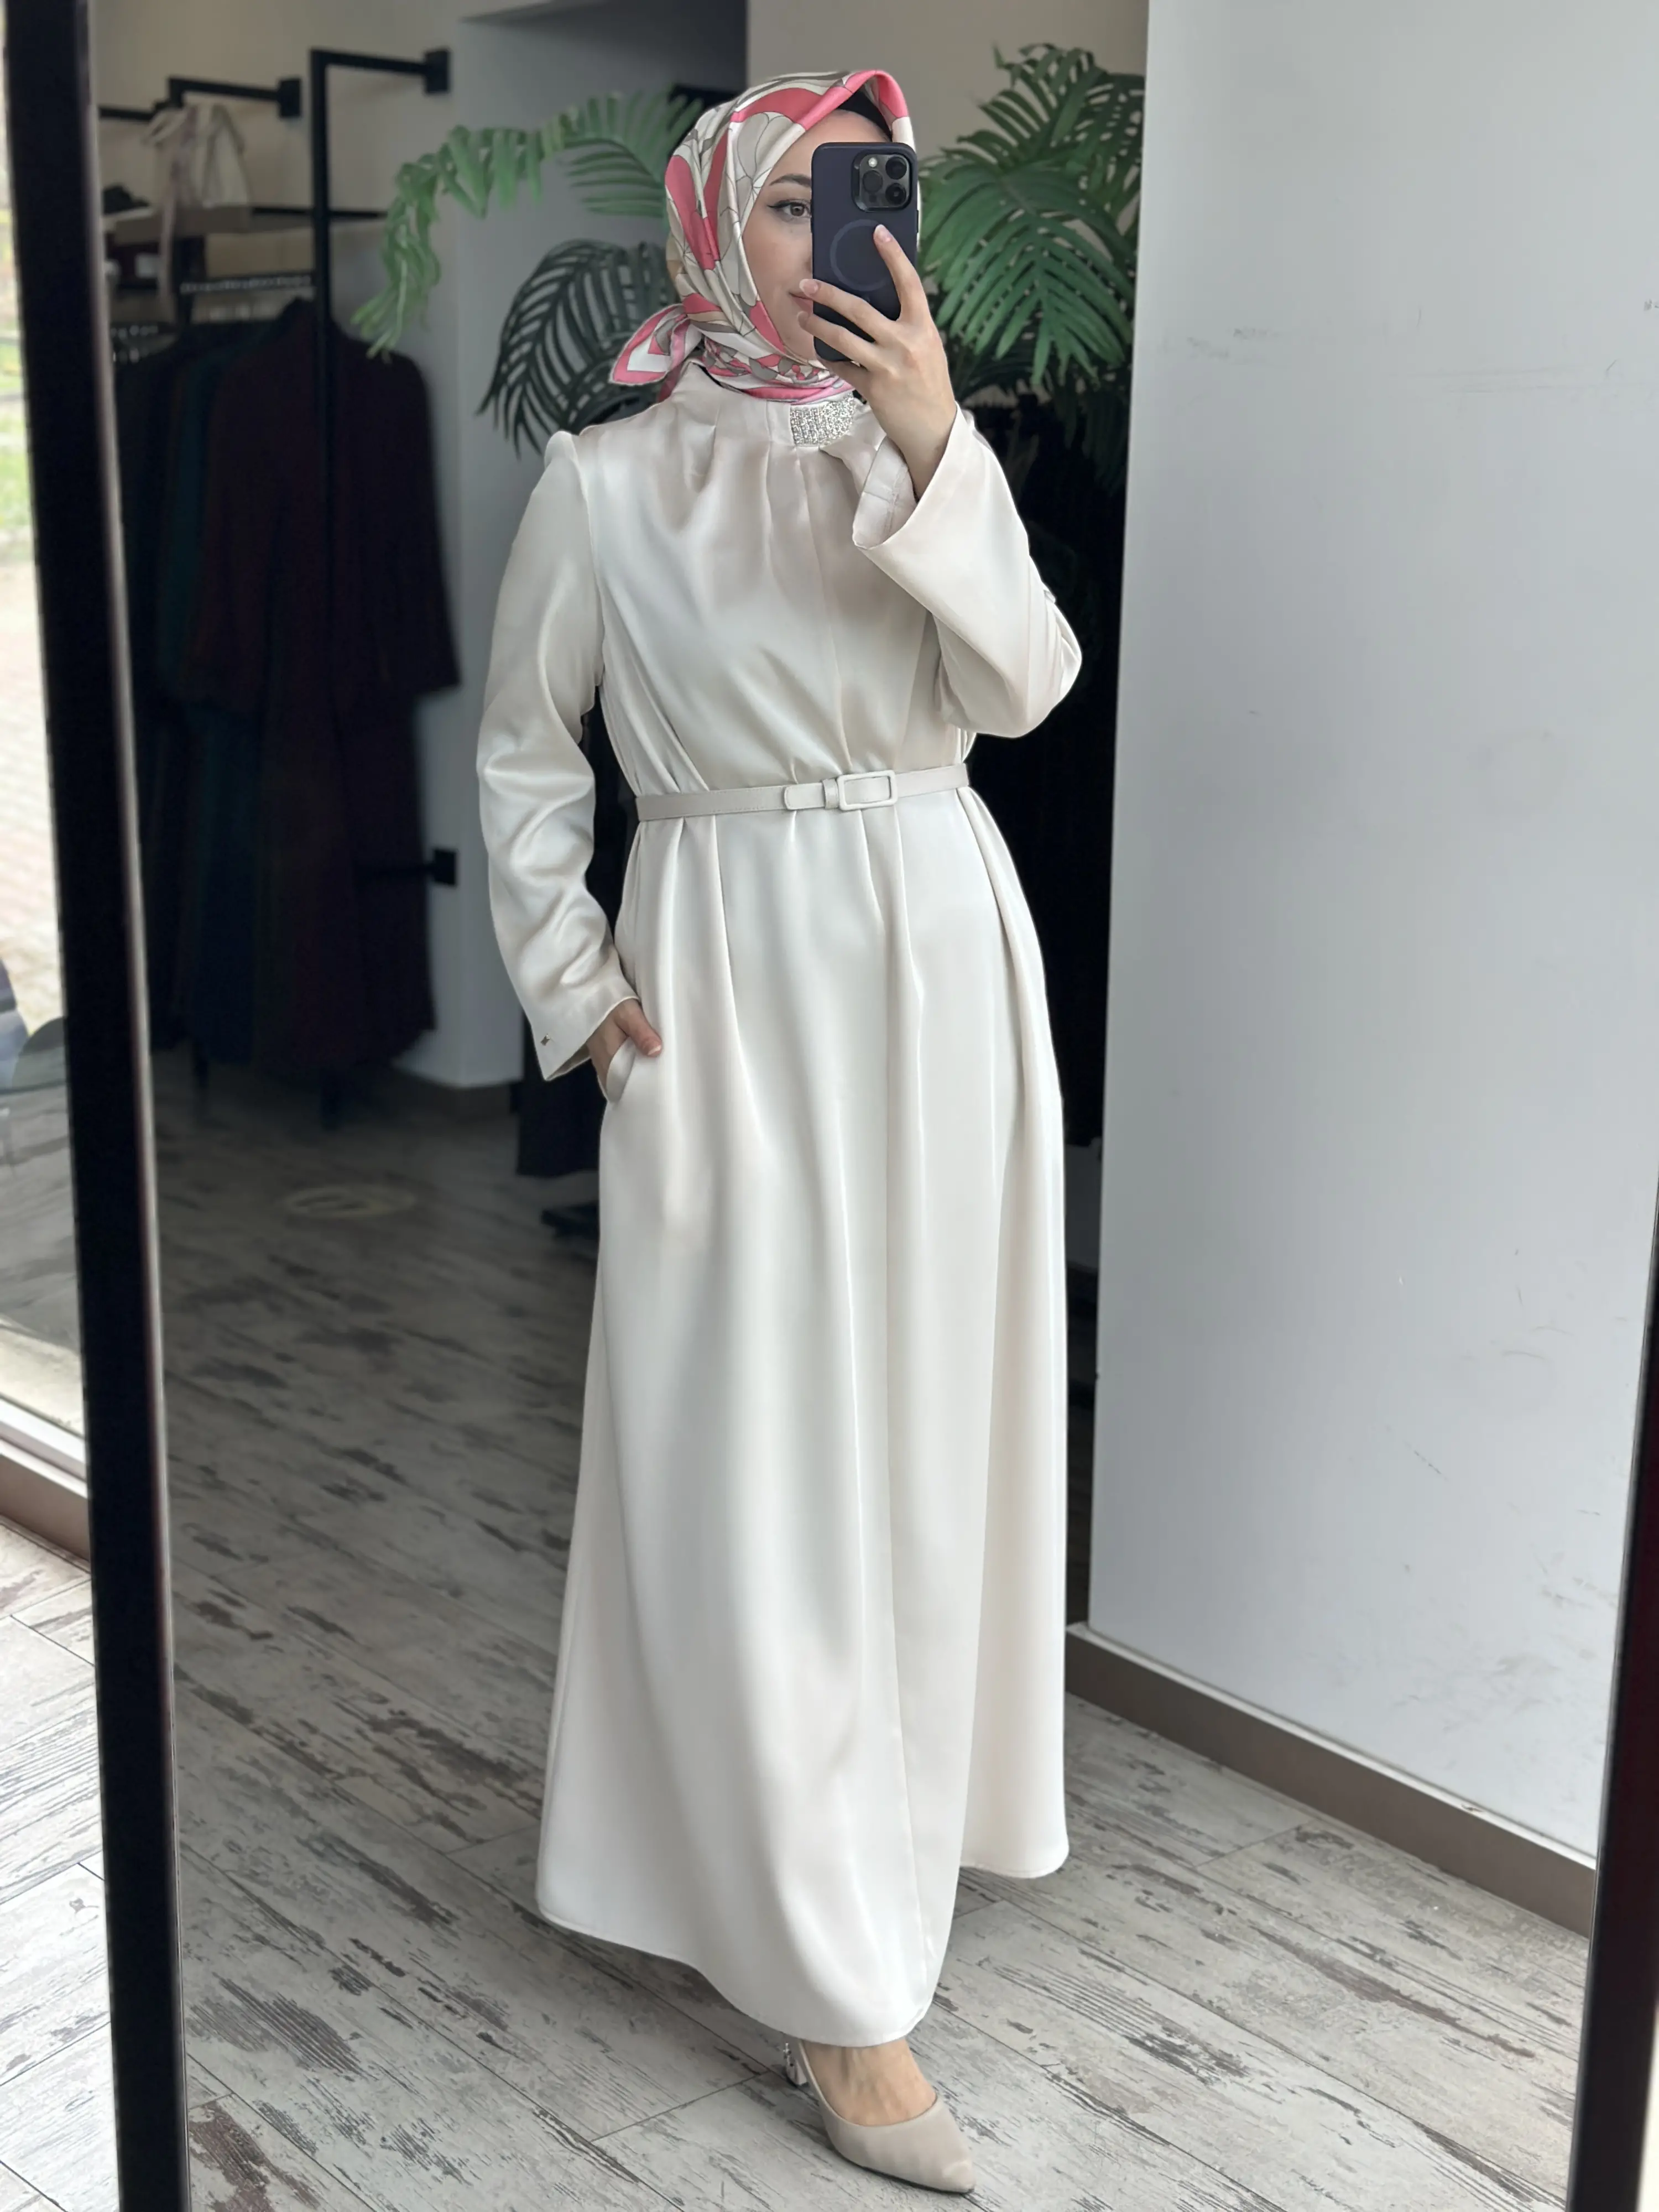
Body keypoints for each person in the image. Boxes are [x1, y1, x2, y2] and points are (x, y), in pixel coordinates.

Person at [477, 68, 1081, 2194]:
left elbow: (1025, 690)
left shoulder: (925, 448)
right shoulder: (608, 480)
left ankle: (906, 1834)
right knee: (748, 1447)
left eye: (864, 194)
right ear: (709, 222)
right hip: (726, 969)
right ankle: (833, 1982)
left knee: (928, 1426)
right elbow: (526, 759)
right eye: (792, 199)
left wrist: (934, 447)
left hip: (941, 945)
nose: (836, 235)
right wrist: (579, 993)